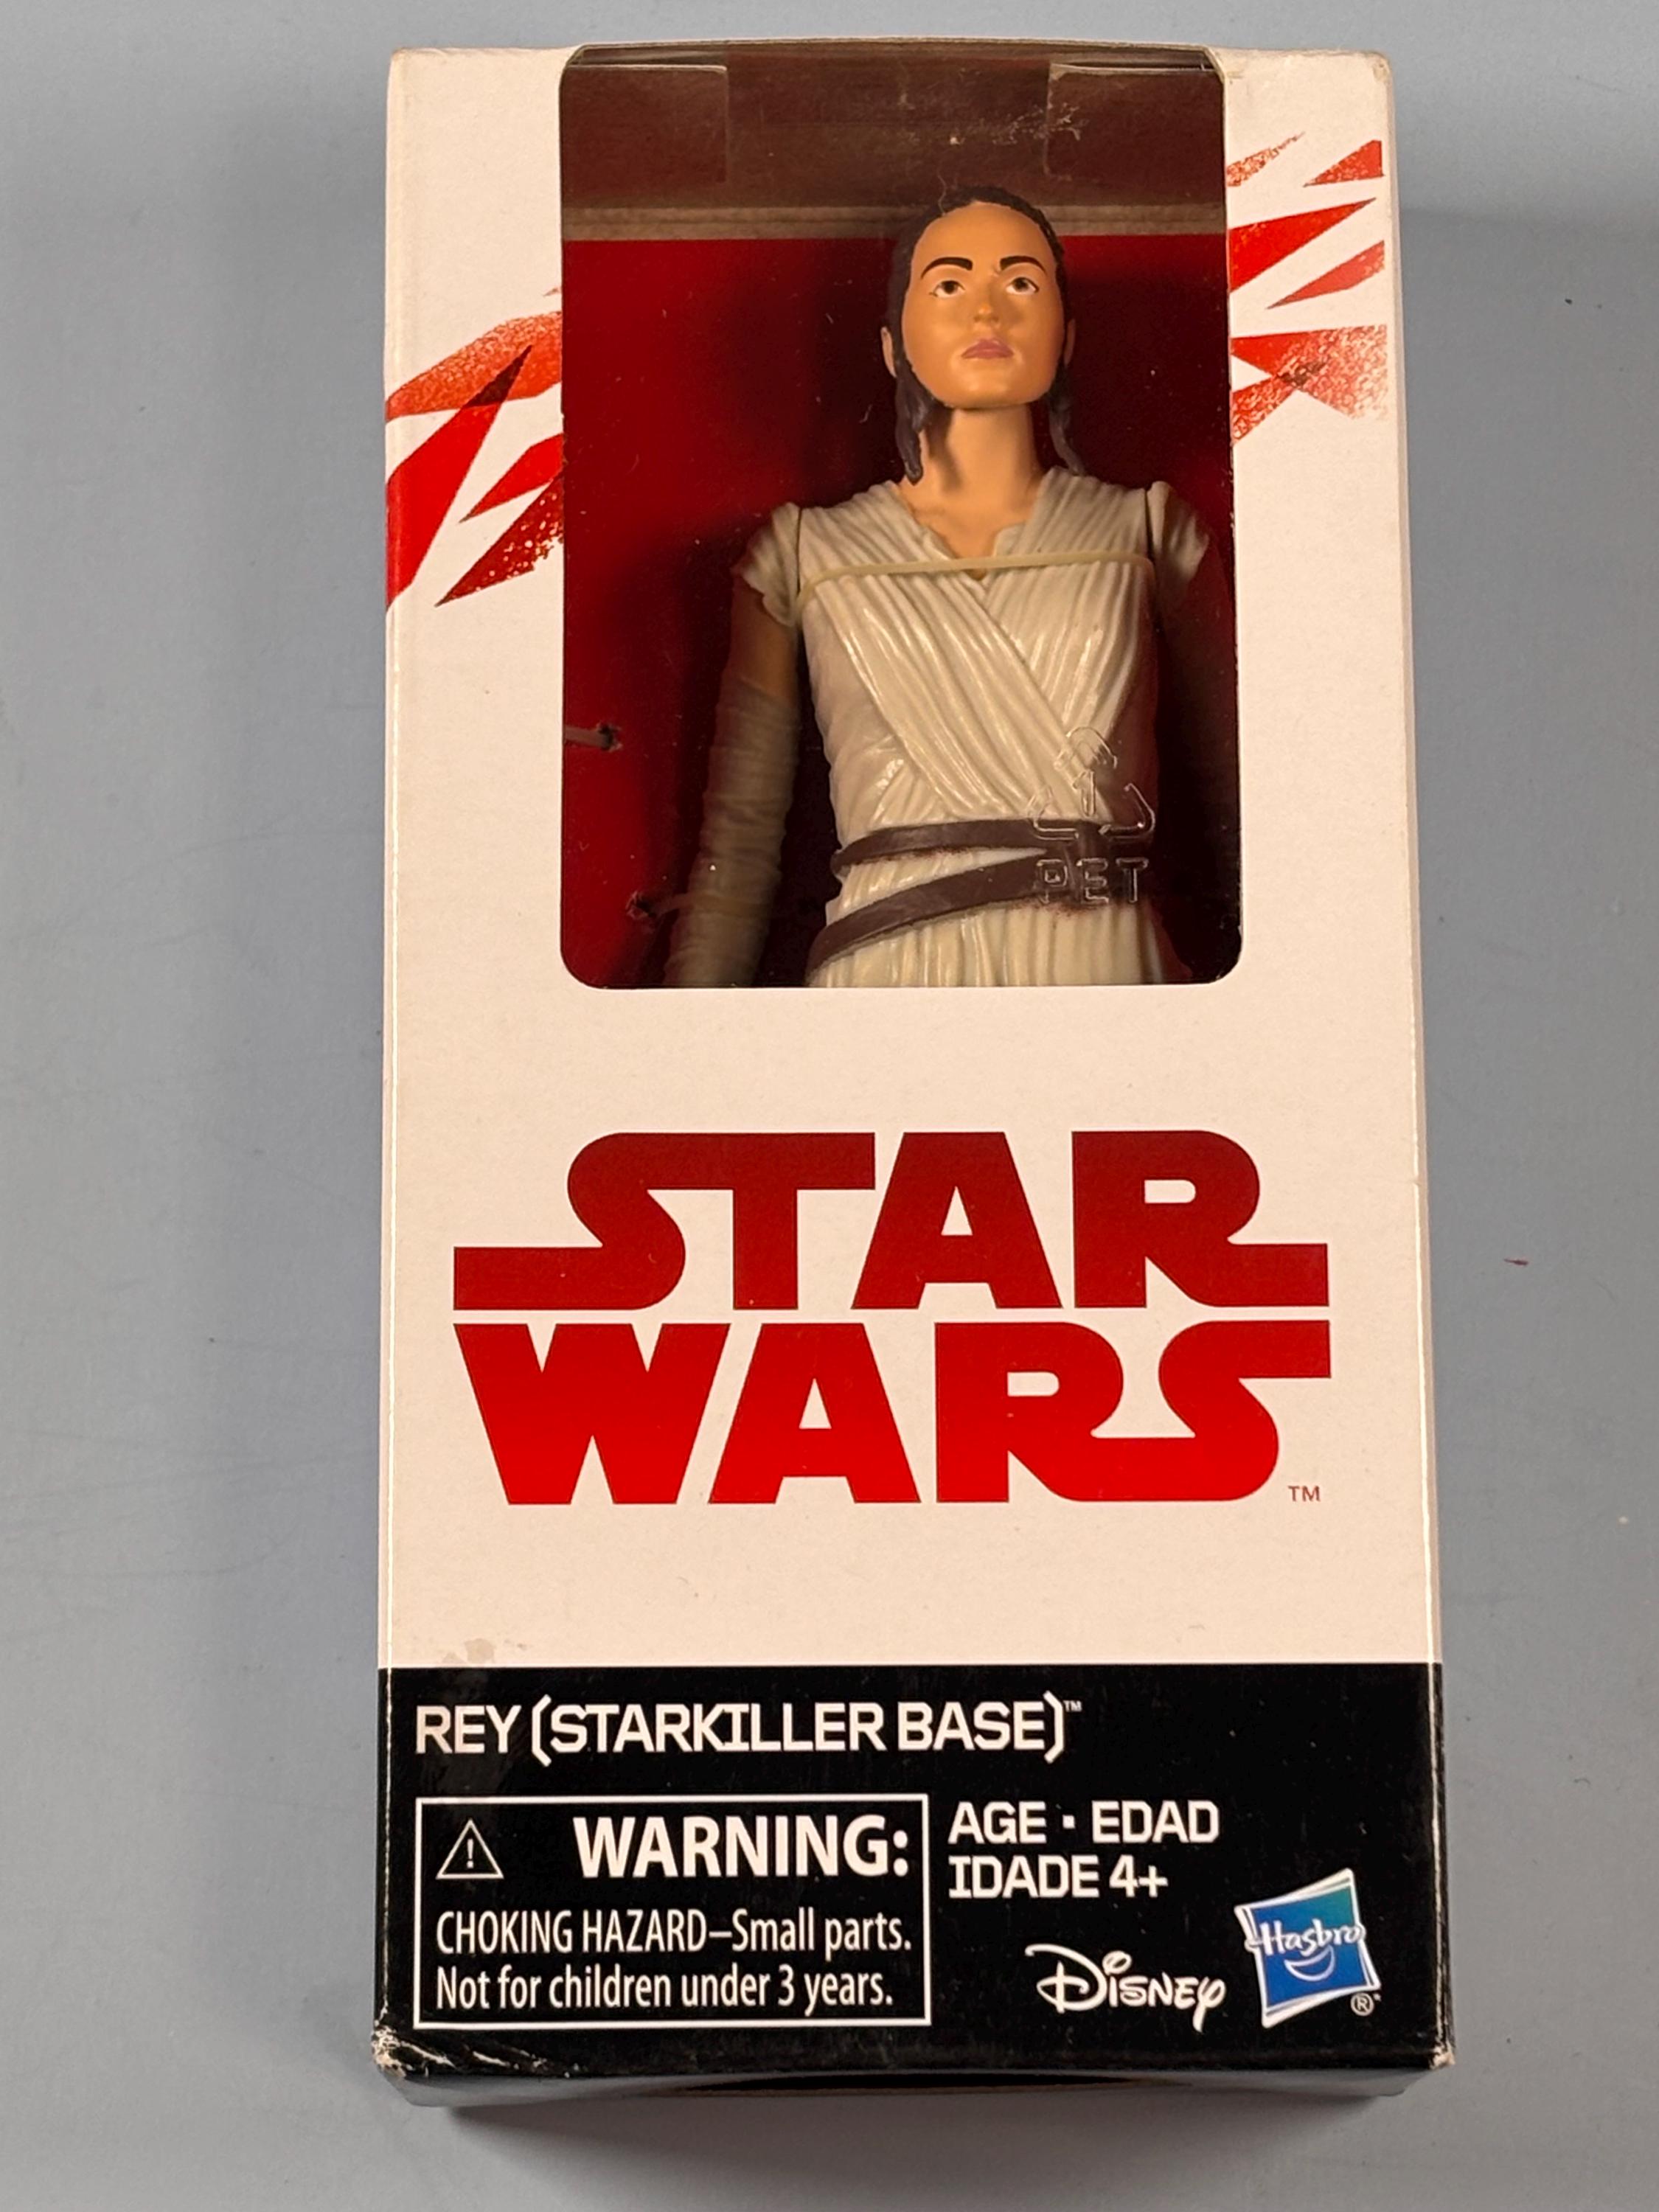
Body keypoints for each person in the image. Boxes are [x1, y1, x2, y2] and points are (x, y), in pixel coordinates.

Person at [664, 184, 1237, 990]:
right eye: (949, 284)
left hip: (1099, 970)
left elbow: (1245, 803)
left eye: (1020, 282)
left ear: (1066, 336)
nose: (987, 311)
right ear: (893, 345)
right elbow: (740, 844)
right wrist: (685, 1041)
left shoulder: (1146, 533)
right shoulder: (803, 553)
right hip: (890, 970)